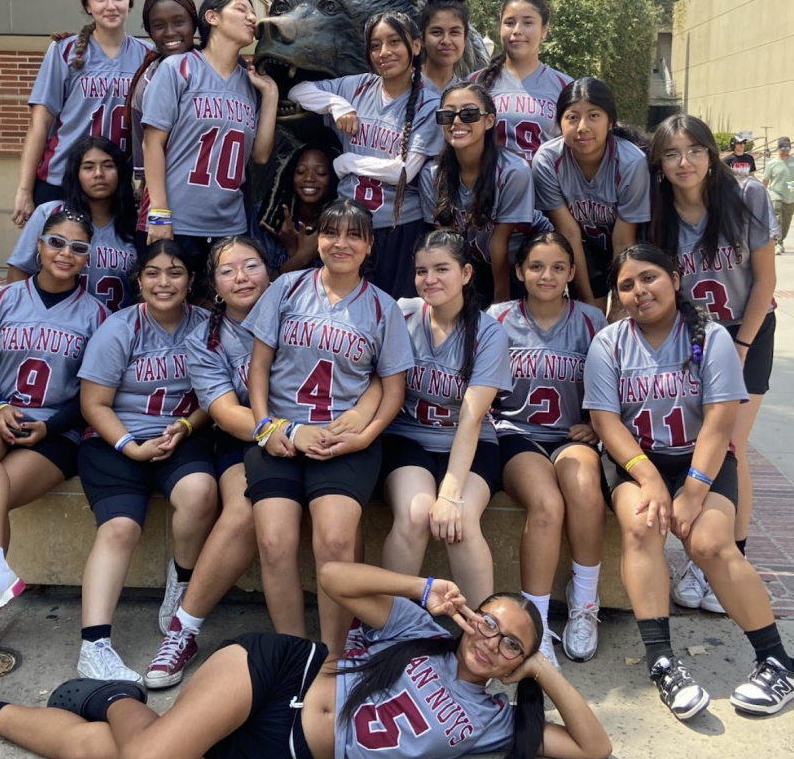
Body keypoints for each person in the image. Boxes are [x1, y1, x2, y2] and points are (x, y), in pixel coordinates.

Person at [0, 562, 612, 759]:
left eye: (509, 641)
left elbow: (593, 746)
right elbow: (331, 576)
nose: (491, 641)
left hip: (284, 752)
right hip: (277, 678)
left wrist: (542, 668)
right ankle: (115, 698)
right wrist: (423, 588)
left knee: (97, 757)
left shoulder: (496, 722)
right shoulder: (416, 634)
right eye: (487, 623)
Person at [583, 244, 794, 719]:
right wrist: (651, 479)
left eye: (650, 278)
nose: (640, 291)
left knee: (711, 543)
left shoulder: (711, 336)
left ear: (675, 279)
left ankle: (777, 660)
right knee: (641, 527)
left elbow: (720, 420)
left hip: (700, 457)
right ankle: (662, 661)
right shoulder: (609, 342)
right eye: (627, 285)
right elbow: (606, 421)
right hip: (639, 460)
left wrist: (694, 490)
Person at [244, 198, 413, 653]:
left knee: (336, 539)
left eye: (353, 235)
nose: (340, 243)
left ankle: (336, 655)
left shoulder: (382, 308)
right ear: (317, 238)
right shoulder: (287, 288)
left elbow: (392, 391)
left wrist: (361, 436)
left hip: (345, 441)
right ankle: (294, 654)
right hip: (281, 432)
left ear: (369, 244)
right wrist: (264, 426)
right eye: (330, 232)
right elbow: (258, 368)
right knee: (275, 540)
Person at [0, 210, 108, 670]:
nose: (66, 254)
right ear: (38, 246)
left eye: (78, 248)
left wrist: (51, 426)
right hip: (0, 419)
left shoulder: (98, 314)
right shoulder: (2, 301)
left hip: (55, 434)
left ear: (88, 258)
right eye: (57, 243)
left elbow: (92, 393)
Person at [648, 114, 777, 613]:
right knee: (704, 442)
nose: (685, 162)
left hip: (746, 330)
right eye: (673, 153)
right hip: (693, 336)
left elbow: (765, 282)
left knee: (731, 446)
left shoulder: (747, 196)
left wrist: (740, 346)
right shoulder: (657, 211)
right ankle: (701, 558)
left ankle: (726, 560)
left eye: (695, 150)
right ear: (659, 163)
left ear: (710, 153)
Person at [75, 241, 217, 684]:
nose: (164, 282)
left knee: (200, 492)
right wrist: (129, 446)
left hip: (180, 435)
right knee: (120, 528)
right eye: (153, 273)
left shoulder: (208, 326)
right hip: (116, 439)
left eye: (175, 272)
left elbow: (218, 395)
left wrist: (187, 426)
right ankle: (93, 646)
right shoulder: (120, 328)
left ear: (191, 281)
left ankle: (181, 584)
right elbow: (93, 403)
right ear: (138, 281)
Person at [143, 235, 271, 688]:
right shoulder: (207, 338)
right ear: (214, 284)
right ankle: (184, 630)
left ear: (269, 269)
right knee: (244, 509)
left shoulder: (299, 309)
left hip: (318, 434)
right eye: (227, 270)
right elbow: (223, 412)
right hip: (248, 438)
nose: (241, 277)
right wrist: (279, 432)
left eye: (251, 265)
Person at [489, 232, 608, 667]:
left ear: (572, 273)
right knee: (546, 504)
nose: (547, 275)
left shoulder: (593, 319)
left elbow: (612, 381)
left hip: (570, 435)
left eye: (559, 267)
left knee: (583, 488)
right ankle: (533, 623)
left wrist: (597, 423)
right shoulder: (498, 317)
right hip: (516, 433)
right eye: (536, 266)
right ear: (519, 271)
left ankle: (584, 602)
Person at [379, 231, 511, 608]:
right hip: (408, 438)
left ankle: (486, 631)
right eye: (422, 271)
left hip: (470, 442)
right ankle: (391, 625)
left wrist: (451, 494)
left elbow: (471, 419)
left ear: (467, 273)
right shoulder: (401, 313)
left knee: (462, 523)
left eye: (442, 269)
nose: (430, 279)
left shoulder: (488, 333)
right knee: (417, 514)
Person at [286, 13, 444, 298]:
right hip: (349, 226)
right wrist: (336, 104)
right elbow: (299, 90)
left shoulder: (429, 103)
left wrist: (348, 162)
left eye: (394, 42)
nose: (384, 52)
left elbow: (402, 171)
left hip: (400, 230)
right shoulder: (357, 86)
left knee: (396, 312)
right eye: (375, 45)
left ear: (416, 46)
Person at [139, 0, 279, 278]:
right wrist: (160, 213)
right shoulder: (178, 69)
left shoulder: (249, 83)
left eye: (253, 12)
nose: (252, 17)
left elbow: (261, 155)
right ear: (212, 17)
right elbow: (152, 145)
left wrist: (271, 94)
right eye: (241, 9)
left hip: (230, 228)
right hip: (177, 223)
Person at [12, 0, 148, 225]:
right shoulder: (64, 51)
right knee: (57, 262)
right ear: (87, 5)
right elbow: (39, 124)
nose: (110, 5)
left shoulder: (147, 55)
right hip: (61, 179)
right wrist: (25, 190)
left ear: (129, 1)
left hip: (114, 183)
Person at [532, 77, 650, 309]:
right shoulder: (547, 160)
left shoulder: (631, 162)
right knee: (590, 309)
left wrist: (617, 305)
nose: (582, 127)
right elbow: (569, 233)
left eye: (594, 115)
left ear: (610, 122)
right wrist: (587, 302)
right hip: (584, 246)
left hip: (632, 243)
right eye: (572, 117)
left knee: (626, 311)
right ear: (559, 123)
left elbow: (623, 240)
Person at [418, 82, 535, 304]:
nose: (457, 122)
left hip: (515, 267)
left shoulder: (514, 171)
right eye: (447, 115)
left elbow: (499, 243)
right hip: (470, 266)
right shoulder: (432, 174)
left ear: (489, 121)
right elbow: (447, 242)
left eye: (469, 113)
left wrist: (501, 306)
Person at [7, 135, 138, 313]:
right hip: (60, 330)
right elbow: (20, 271)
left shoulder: (134, 223)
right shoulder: (50, 213)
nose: (99, 173)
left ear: (120, 172)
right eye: (88, 167)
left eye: (108, 166)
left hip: (117, 331)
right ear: (76, 174)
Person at [469, 0, 571, 164]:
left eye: (528, 23)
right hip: (487, 188)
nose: (517, 30)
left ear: (544, 30)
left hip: (543, 189)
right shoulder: (473, 83)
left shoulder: (565, 87)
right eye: (509, 22)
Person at [127, 0, 198, 181]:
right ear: (149, 31)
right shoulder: (148, 81)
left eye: (179, 22)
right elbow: (143, 144)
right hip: (169, 187)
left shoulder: (215, 68)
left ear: (194, 24)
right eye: (159, 26)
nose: (170, 32)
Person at [253, 142, 339, 275]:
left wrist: (294, 250)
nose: (309, 178)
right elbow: (261, 283)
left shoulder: (342, 223)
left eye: (321, 173)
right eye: (300, 171)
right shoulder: (267, 215)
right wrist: (300, 256)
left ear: (333, 179)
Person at [418, 0, 470, 94]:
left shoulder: (468, 95)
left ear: (465, 39)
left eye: (454, 32)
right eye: (437, 32)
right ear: (422, 38)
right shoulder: (401, 86)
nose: (446, 41)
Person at [762, 136, 794, 253]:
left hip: (790, 196)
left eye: (788, 146)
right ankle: (777, 243)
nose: (785, 149)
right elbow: (765, 181)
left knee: (786, 221)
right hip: (775, 195)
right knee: (778, 218)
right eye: (782, 146)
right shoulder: (772, 164)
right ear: (777, 148)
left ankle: (781, 240)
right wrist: (762, 196)